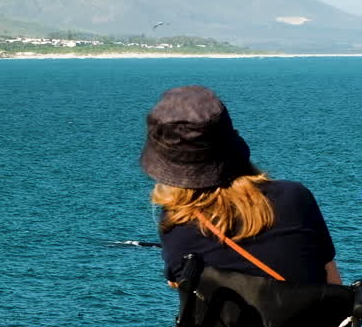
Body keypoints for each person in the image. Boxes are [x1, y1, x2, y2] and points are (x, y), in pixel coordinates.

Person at [139, 85, 341, 286]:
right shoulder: (295, 197)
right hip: (312, 318)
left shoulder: (176, 224)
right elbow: (333, 282)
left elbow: (179, 284)